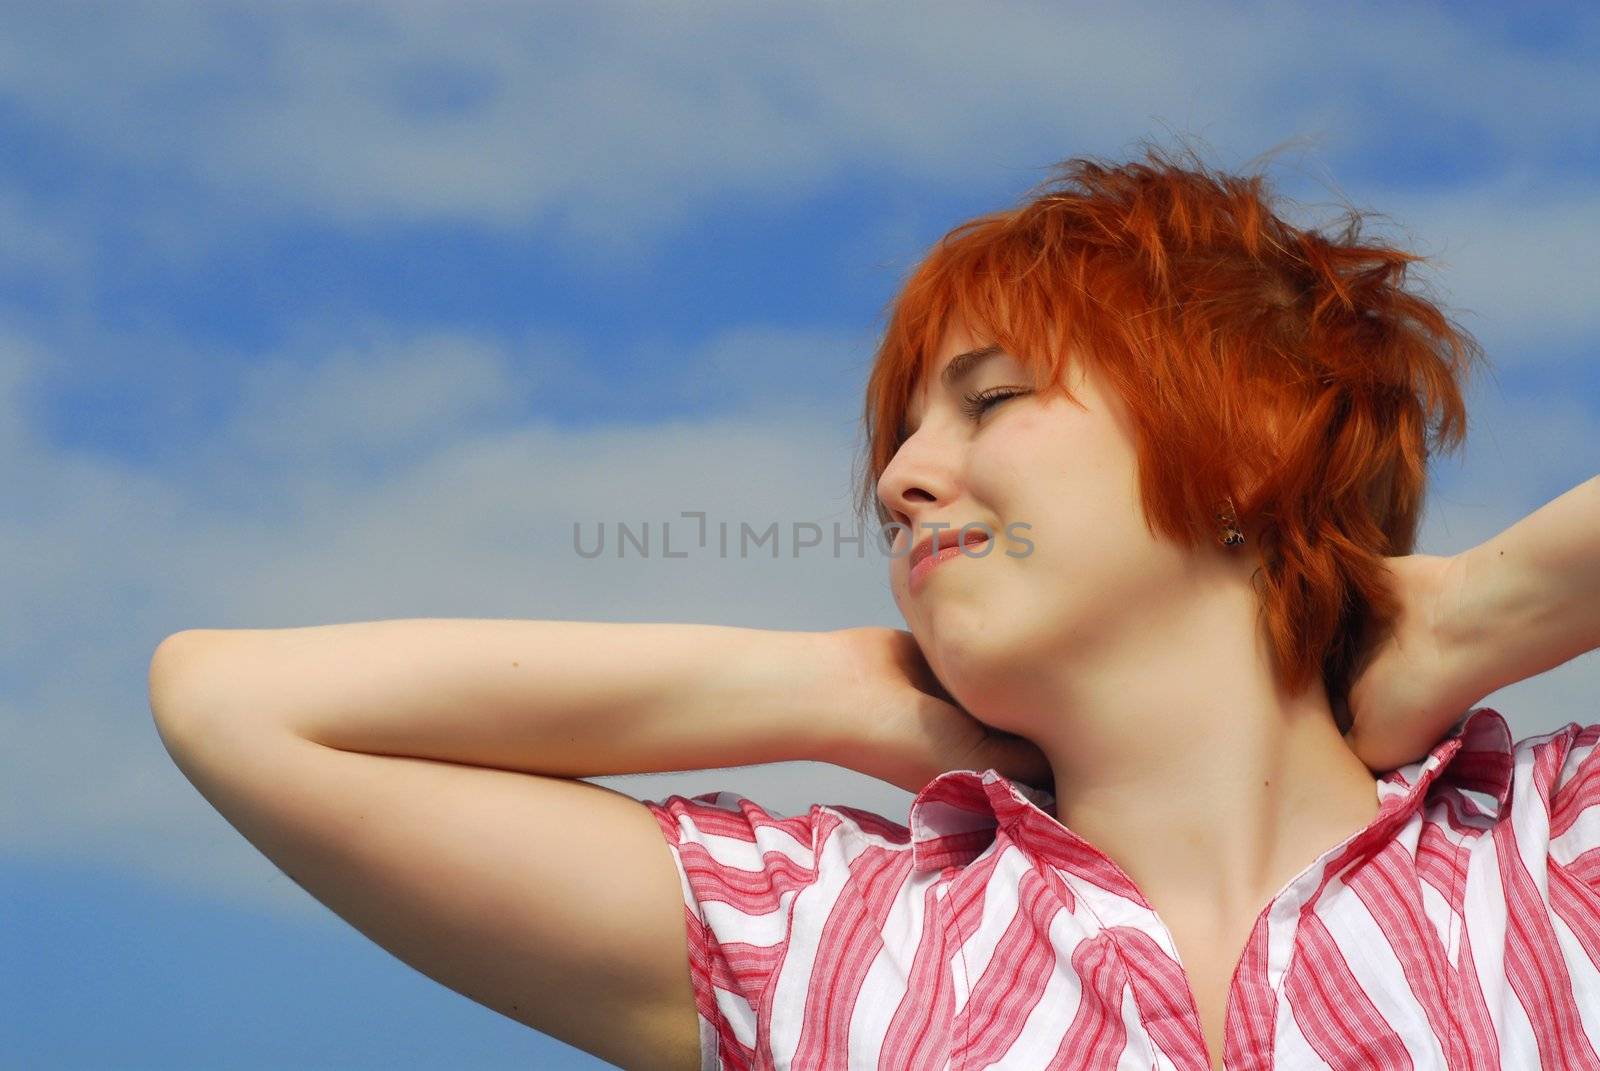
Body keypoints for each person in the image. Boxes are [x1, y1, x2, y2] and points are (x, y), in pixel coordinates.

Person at [148, 142, 1600, 1071]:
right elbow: (236, 707)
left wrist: (1487, 609)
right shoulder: (833, 933)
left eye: (991, 399)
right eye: (898, 437)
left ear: (1255, 446)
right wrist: (846, 692)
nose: (903, 476)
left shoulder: (1559, 858)